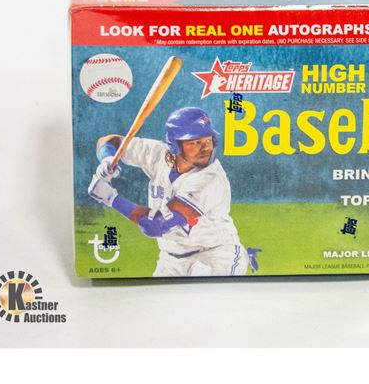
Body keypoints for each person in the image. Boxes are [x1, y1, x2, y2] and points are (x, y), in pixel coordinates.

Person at [87, 107, 260, 277]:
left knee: (204, 290)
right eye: (195, 142)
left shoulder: (210, 178)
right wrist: (107, 159)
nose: (206, 148)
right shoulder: (157, 154)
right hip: (171, 259)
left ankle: (242, 257)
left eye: (208, 140)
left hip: (216, 254)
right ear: (175, 146)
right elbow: (110, 141)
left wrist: (111, 198)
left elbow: (155, 225)